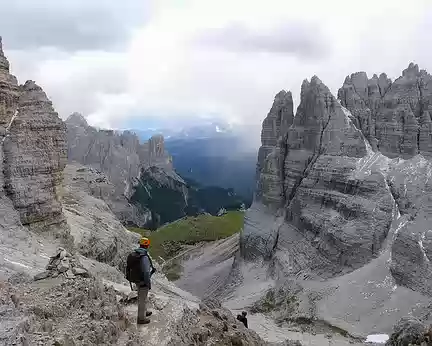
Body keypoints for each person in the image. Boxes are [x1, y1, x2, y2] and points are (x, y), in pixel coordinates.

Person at [126, 237, 156, 324]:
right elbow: (146, 272)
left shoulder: (135, 254)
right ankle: (141, 318)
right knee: (142, 299)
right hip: (143, 281)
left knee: (142, 296)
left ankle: (144, 311)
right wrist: (148, 283)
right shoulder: (144, 257)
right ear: (147, 245)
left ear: (140, 244)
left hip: (136, 279)